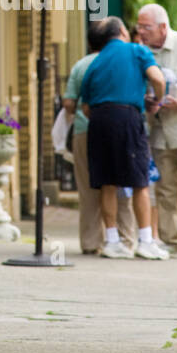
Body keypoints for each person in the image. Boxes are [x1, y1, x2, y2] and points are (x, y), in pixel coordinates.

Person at [80, 16, 166, 259]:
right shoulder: (137, 50)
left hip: (98, 120)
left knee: (107, 181)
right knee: (139, 180)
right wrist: (157, 100)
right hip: (127, 117)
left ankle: (112, 241)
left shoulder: (94, 63)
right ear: (121, 31)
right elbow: (158, 78)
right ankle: (146, 241)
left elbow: (85, 107)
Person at [63, 20, 135, 256]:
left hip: (86, 131)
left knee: (88, 189)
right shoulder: (126, 59)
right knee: (122, 186)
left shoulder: (81, 66)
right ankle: (126, 238)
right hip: (121, 129)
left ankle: (91, 241)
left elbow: (69, 103)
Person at [136, 3, 177, 255]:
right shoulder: (142, 52)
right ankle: (172, 243)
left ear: (162, 27)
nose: (141, 31)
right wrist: (148, 102)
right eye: (138, 26)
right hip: (160, 132)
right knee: (167, 190)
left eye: (145, 27)